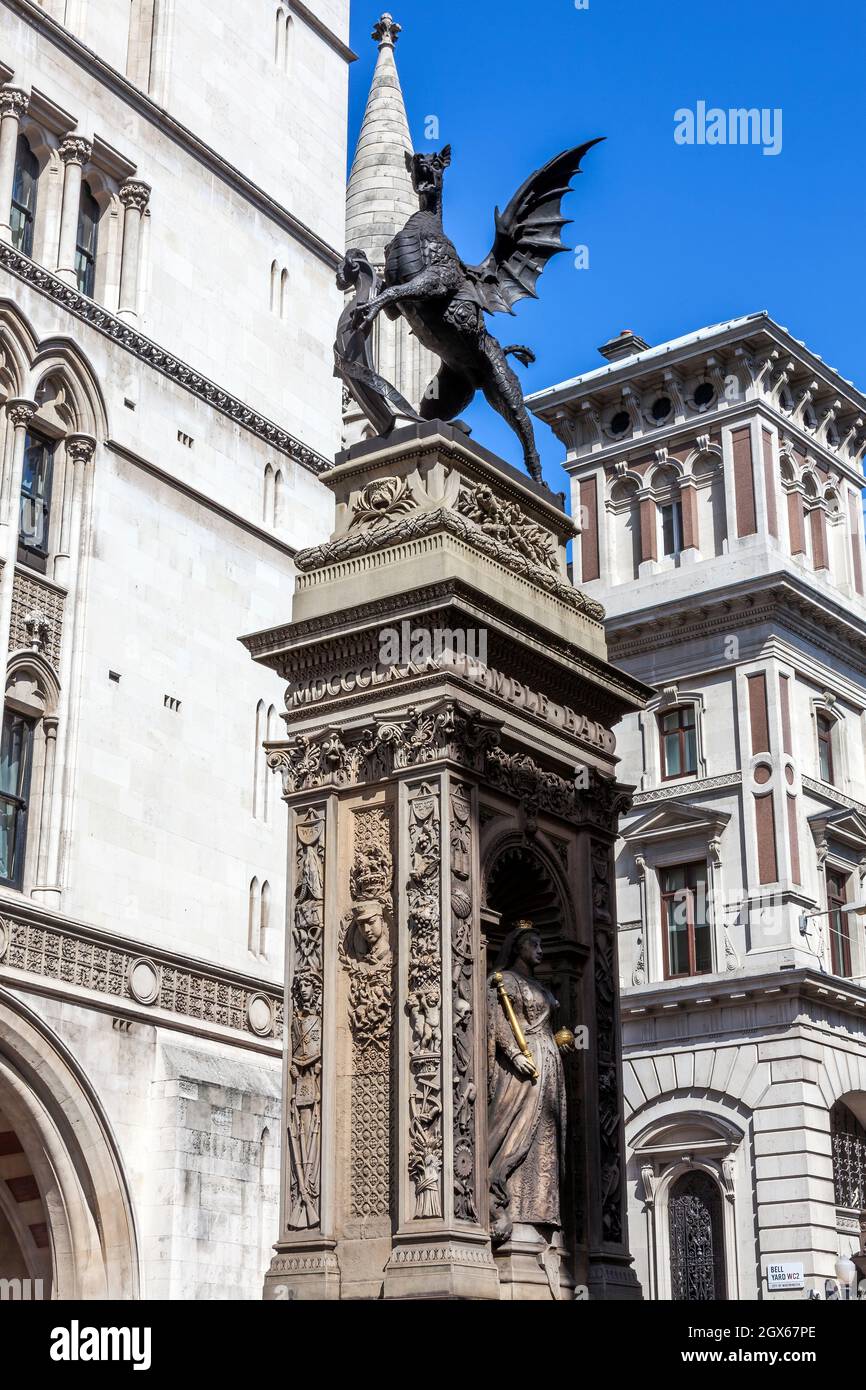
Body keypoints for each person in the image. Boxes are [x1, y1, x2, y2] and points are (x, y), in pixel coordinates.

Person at [487, 920, 573, 1245]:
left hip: (549, 1062)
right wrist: (512, 1052)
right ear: (518, 946)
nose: (540, 950)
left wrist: (560, 1040)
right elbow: (497, 1019)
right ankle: (510, 1205)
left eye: (541, 945)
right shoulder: (504, 981)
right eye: (534, 944)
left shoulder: (543, 988)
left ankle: (542, 1211)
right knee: (518, 1129)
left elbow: (550, 1025)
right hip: (523, 1067)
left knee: (546, 1136)